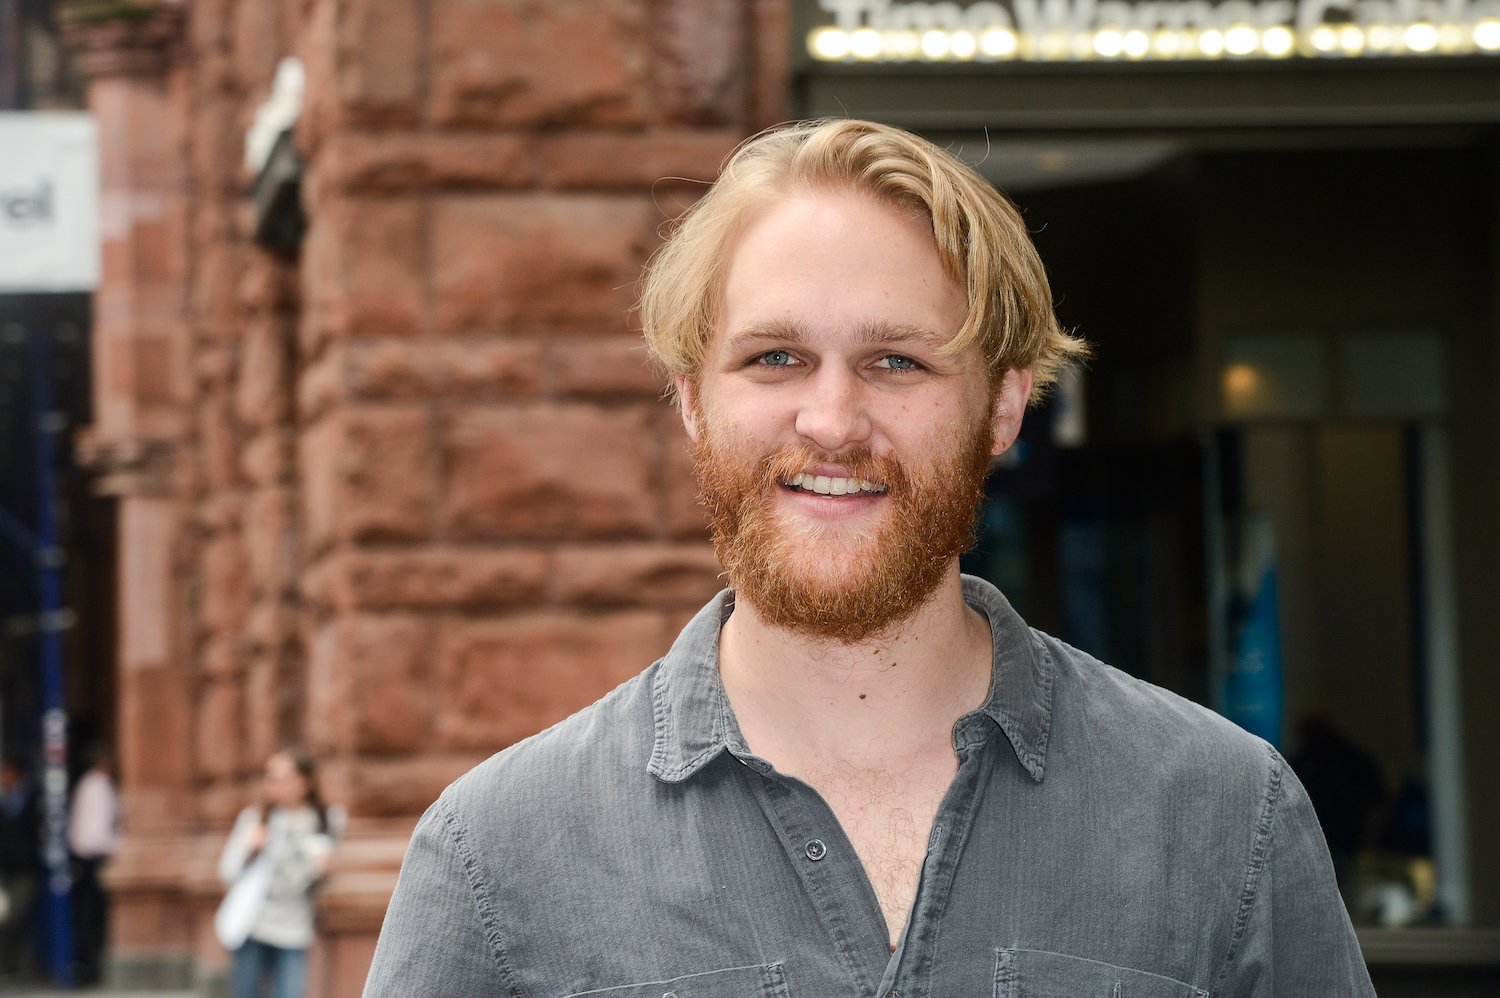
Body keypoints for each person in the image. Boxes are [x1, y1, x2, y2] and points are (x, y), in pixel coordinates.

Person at [364, 119, 1375, 996]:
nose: (833, 419)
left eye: (897, 360)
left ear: (1005, 404)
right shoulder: (496, 856)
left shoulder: (1223, 816)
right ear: (690, 398)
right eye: (775, 358)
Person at [217, 749, 334, 998]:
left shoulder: (325, 820)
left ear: (305, 783)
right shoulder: (255, 819)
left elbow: (321, 877)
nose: (274, 785)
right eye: (270, 777)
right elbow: (227, 871)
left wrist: (323, 869)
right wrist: (250, 848)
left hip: (294, 928)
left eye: (283, 778)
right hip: (253, 926)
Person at [67, 742, 121, 985]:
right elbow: (98, 832)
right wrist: (122, 846)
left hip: (82, 857)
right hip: (93, 858)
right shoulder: (99, 787)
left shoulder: (85, 785)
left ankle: (85, 968)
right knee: (92, 919)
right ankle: (89, 971)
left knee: (85, 917)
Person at [0, 755, 40, 982]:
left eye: (5, 772)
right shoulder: (5, 803)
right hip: (7, 871)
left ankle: (15, 964)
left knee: (15, 917)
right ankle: (11, 964)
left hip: (25, 870)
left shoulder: (31, 800)